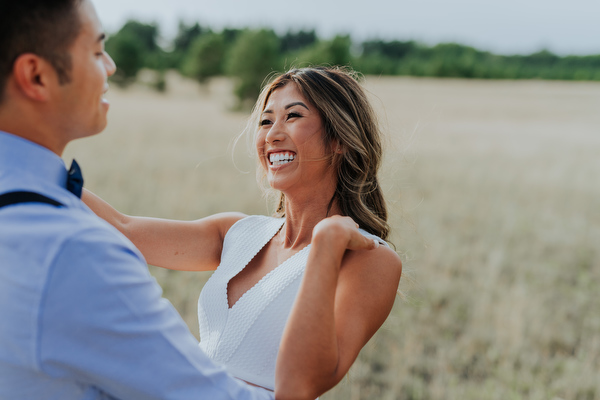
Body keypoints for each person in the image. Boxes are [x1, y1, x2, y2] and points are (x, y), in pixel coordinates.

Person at [0, 1, 327, 398]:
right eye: (97, 51)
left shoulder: (41, 214)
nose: (111, 66)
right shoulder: (76, 251)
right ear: (36, 76)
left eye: (293, 116)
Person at [83, 67, 403, 399]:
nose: (272, 135)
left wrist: (326, 246)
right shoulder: (238, 232)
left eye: (293, 116)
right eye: (266, 121)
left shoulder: (369, 259)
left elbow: (298, 387)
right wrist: (38, 162)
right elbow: (123, 229)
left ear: (339, 139)